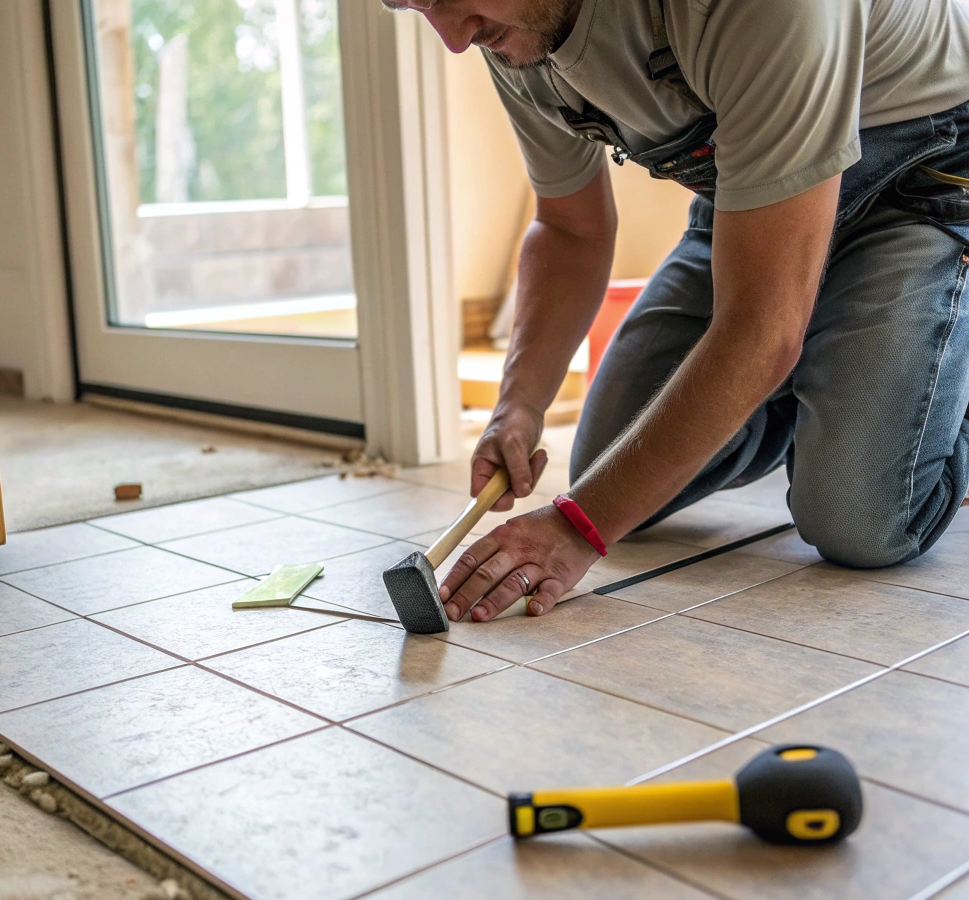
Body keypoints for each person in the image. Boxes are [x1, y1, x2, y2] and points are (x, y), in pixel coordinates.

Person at [384, 0, 969, 623]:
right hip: (753, 206)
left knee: (859, 519)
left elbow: (762, 331)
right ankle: (840, 356)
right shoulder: (514, 30)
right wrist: (518, 405)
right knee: (607, 463)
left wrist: (579, 529)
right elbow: (569, 231)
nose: (452, 38)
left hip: (923, 180)